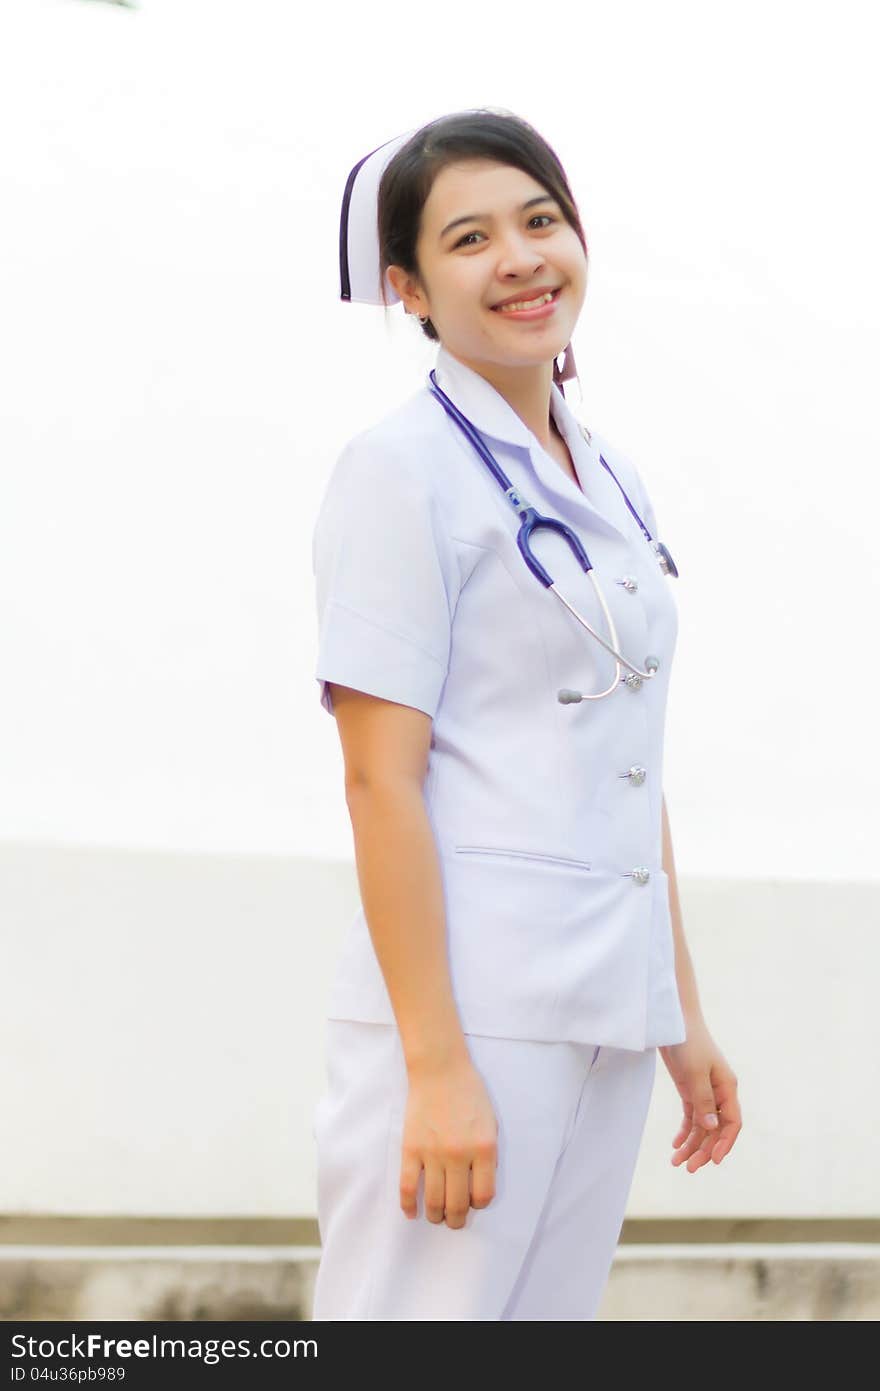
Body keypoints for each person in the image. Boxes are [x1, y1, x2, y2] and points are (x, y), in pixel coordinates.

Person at [309, 108, 742, 1321]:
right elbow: (378, 781)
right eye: (470, 238)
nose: (520, 257)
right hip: (472, 1013)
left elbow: (624, 757)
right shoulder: (398, 471)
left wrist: (678, 1010)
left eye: (540, 220)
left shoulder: (607, 475)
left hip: (601, 1008)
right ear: (408, 289)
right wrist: (435, 1069)